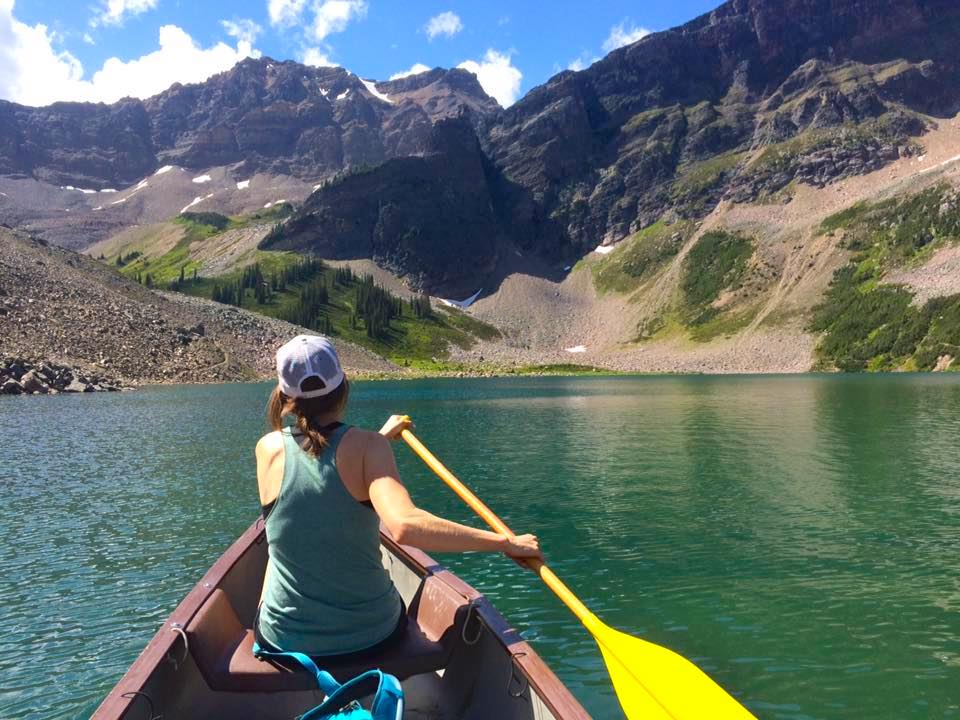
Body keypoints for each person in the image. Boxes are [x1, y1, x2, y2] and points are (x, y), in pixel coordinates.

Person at [254, 334, 543, 662]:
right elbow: (405, 526)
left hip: (284, 640)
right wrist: (505, 542)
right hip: (370, 636)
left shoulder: (267, 449)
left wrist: (376, 440)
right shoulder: (367, 448)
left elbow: (321, 469)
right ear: (344, 385)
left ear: (283, 395)